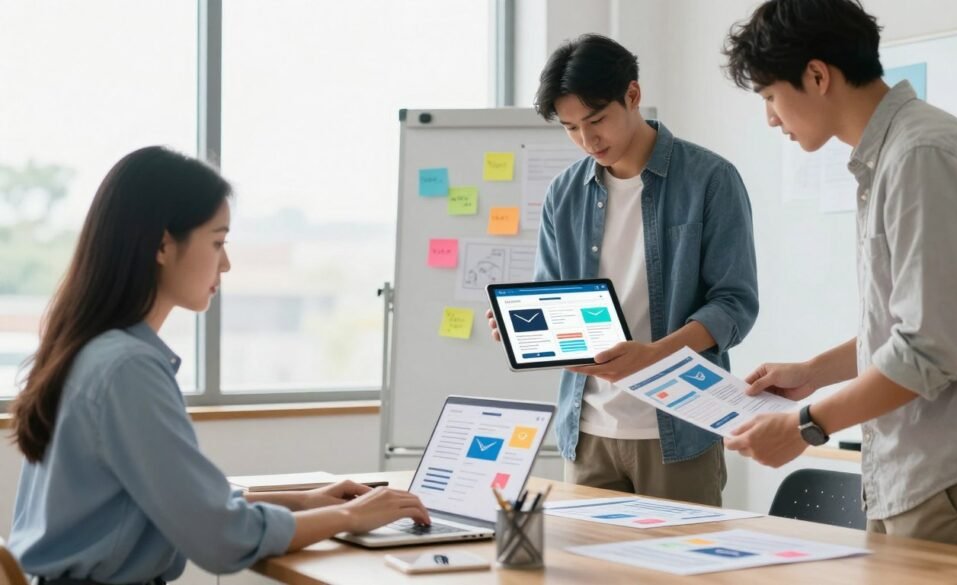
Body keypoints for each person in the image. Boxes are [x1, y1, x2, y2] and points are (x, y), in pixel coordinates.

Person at [7, 146, 430, 582]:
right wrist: (351, 517)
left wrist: (303, 502)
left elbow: (180, 505)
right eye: (217, 242)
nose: (225, 263)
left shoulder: (90, 349)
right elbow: (222, 539)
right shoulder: (127, 369)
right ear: (162, 245)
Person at [721, 0, 957, 552]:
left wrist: (805, 424)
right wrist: (814, 373)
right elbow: (914, 326)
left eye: (769, 96)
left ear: (817, 76)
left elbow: (930, 348)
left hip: (947, 476)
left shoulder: (921, 155)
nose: (771, 118)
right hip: (917, 474)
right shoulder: (896, 154)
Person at [490, 34, 758, 505]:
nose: (587, 140)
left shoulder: (711, 179)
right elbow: (551, 292)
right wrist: (524, 325)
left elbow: (734, 304)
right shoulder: (564, 193)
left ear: (632, 95)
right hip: (587, 431)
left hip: (681, 428)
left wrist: (654, 355)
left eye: (596, 120)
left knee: (683, 555)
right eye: (571, 128)